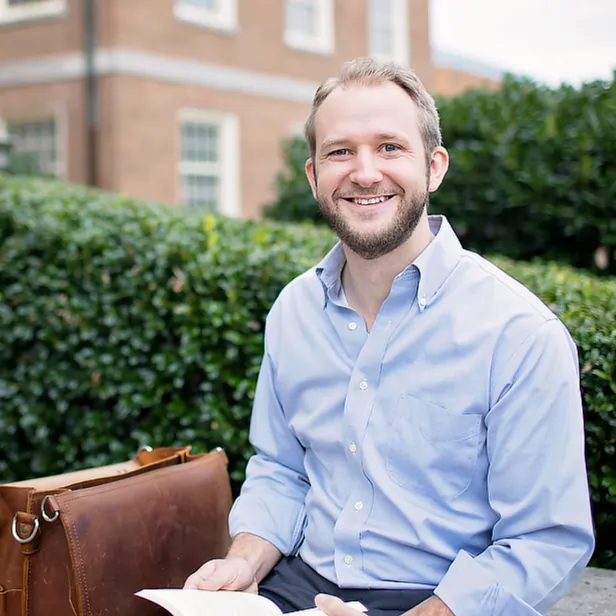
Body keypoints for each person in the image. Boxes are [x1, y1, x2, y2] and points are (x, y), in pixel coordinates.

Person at [184, 57, 595, 616]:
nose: (365, 172)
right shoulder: (294, 311)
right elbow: (282, 469)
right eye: (340, 152)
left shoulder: (520, 335)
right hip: (296, 587)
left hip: (439, 603)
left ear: (435, 167)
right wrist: (244, 562)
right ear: (313, 176)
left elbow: (547, 539)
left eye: (390, 147)